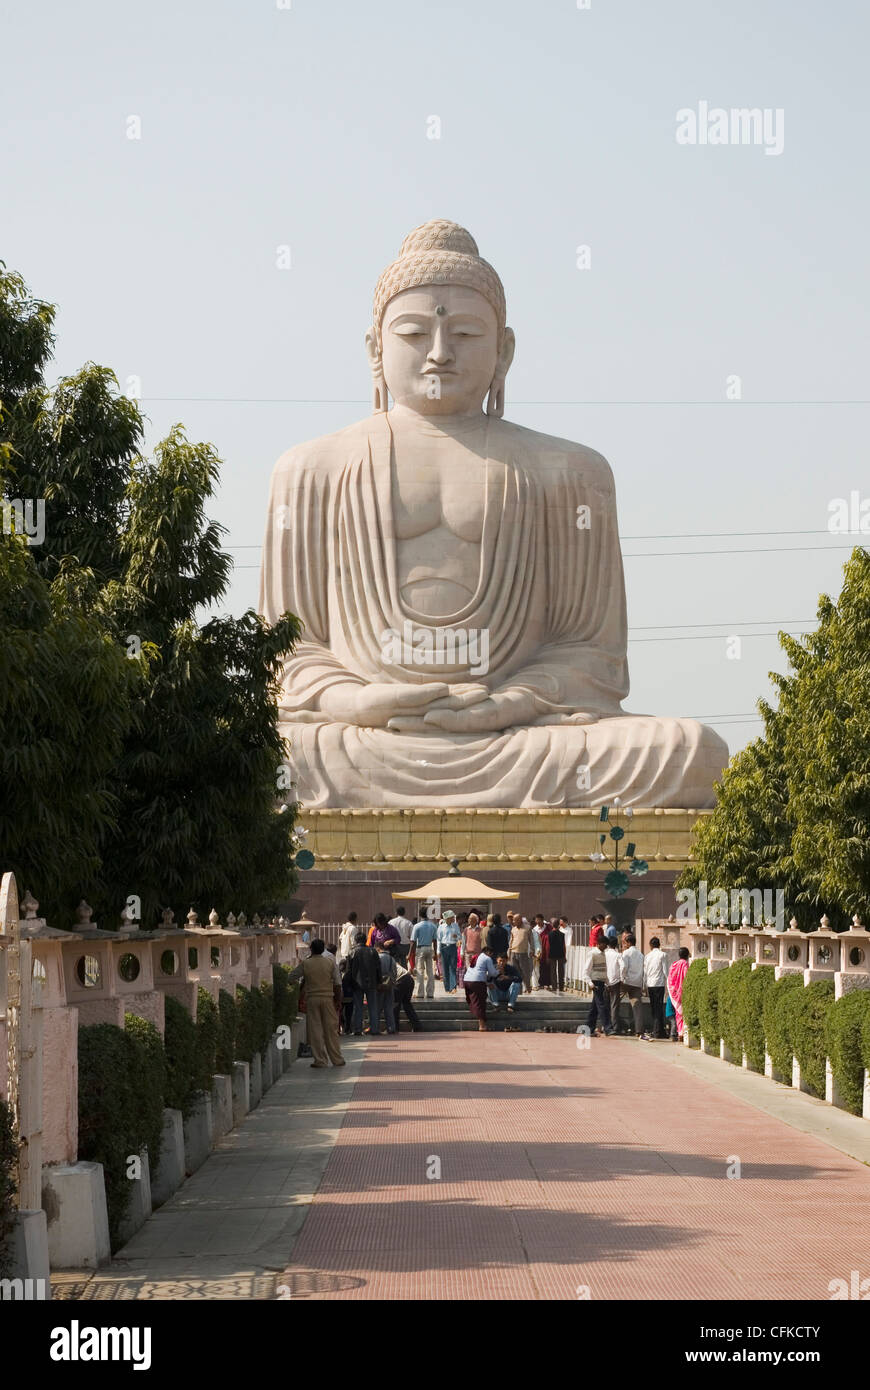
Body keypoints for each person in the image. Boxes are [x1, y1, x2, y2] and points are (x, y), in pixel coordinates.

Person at [289, 938, 345, 1067]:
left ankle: (320, 1060)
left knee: (315, 1030)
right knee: (331, 1030)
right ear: (323, 949)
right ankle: (337, 1059)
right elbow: (337, 984)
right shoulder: (330, 963)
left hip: (312, 999)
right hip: (327, 998)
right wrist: (337, 1000)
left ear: (311, 949)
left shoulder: (306, 963)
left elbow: (291, 977)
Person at [348, 929, 382, 1035]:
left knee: (358, 1007)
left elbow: (349, 970)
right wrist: (379, 981)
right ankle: (375, 1028)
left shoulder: (352, 952)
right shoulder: (373, 951)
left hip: (356, 983)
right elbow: (378, 968)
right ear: (366, 940)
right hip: (372, 982)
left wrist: (350, 983)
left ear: (355, 940)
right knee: (373, 1006)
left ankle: (358, 1029)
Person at [463, 947, 499, 1031]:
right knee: (480, 1002)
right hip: (476, 982)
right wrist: (499, 972)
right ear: (488, 952)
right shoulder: (487, 958)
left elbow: (477, 972)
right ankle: (482, 1025)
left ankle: (480, 1021)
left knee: (475, 1000)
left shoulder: (476, 956)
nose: (491, 956)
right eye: (491, 954)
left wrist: (487, 983)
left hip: (467, 980)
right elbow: (492, 973)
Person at [618, 931, 645, 1037]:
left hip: (626, 981)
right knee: (637, 1007)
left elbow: (624, 967)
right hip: (637, 982)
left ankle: (613, 1025)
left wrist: (622, 977)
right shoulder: (641, 954)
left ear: (628, 943)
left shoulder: (626, 953)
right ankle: (639, 1030)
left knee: (615, 1002)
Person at [389, 944, 421, 1031]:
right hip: (409, 979)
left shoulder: (383, 959)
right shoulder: (391, 960)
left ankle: (394, 1027)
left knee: (395, 1005)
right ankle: (417, 1025)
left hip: (401, 980)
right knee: (406, 1004)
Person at [584, 936, 612, 1036]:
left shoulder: (604, 954)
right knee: (602, 1005)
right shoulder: (592, 954)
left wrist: (607, 983)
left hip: (602, 982)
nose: (606, 947)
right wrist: (590, 983)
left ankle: (588, 1029)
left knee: (594, 1008)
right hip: (595, 982)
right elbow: (586, 971)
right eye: (605, 945)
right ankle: (608, 1028)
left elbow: (604, 970)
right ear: (599, 944)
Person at [644, 935, 670, 1040]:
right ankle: (657, 1031)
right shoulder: (663, 955)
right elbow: (665, 971)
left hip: (650, 984)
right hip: (659, 984)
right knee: (659, 1007)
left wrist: (644, 985)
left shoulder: (647, 956)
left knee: (654, 1008)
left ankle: (659, 1030)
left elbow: (645, 972)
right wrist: (669, 984)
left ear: (651, 945)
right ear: (659, 945)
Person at [411, 911, 438, 999]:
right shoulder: (433, 926)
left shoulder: (417, 926)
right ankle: (430, 993)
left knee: (420, 971)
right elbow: (435, 941)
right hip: (429, 948)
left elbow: (413, 941)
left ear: (420, 915)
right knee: (430, 972)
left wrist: (410, 953)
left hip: (420, 948)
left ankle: (420, 993)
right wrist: (435, 953)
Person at [666, 946, 690, 1042]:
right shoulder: (685, 965)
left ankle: (680, 1033)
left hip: (673, 992)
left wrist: (674, 989)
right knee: (681, 1014)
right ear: (687, 955)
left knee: (677, 1014)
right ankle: (681, 1033)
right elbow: (686, 977)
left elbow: (670, 979)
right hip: (681, 992)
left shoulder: (674, 964)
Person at [508, 913, 534, 994]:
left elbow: (531, 940)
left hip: (523, 953)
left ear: (519, 920)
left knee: (525, 971)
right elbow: (511, 941)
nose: (513, 921)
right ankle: (519, 990)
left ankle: (528, 987)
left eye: (515, 920)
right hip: (513, 953)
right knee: (516, 972)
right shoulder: (513, 929)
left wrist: (532, 950)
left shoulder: (527, 928)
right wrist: (509, 951)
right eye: (513, 920)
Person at [375, 942, 397, 1033]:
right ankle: (391, 1028)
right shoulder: (392, 959)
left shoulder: (377, 958)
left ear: (378, 948)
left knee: (377, 1008)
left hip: (379, 986)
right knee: (389, 1008)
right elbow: (395, 973)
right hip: (389, 986)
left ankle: (375, 1028)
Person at [437, 910, 461, 992]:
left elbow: (459, 937)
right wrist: (438, 951)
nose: (453, 919)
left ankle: (453, 987)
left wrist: (456, 937)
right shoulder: (441, 927)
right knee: (445, 968)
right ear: (447, 918)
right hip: (444, 948)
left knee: (453, 967)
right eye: (452, 917)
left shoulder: (455, 926)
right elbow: (439, 939)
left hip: (452, 947)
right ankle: (447, 988)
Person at [605, 935, 623, 1033]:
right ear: (616, 944)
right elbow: (623, 967)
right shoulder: (618, 955)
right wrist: (622, 977)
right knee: (614, 1005)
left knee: (606, 1004)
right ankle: (615, 1026)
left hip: (605, 981)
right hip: (615, 981)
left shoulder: (604, 954)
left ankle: (606, 1025)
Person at [548, 915, 567, 992]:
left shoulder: (549, 934)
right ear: (558, 924)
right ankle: (561, 987)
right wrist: (565, 956)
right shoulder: (562, 934)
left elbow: (548, 946)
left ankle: (554, 987)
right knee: (561, 971)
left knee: (553, 971)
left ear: (552, 925)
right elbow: (564, 946)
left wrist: (547, 956)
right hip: (561, 955)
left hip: (552, 955)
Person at [338, 957, 355, 1034]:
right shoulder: (347, 973)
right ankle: (346, 1028)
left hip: (347, 996)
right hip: (346, 996)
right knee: (345, 1013)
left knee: (346, 1013)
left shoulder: (347, 973)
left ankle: (347, 1028)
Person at [537, 915, 553, 990]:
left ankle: (547, 983)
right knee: (540, 968)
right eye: (537, 921)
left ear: (542, 920)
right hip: (539, 951)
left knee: (547, 967)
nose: (538, 923)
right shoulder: (535, 929)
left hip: (547, 951)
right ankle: (540, 983)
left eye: (539, 921)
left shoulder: (548, 928)